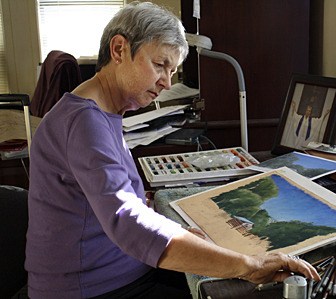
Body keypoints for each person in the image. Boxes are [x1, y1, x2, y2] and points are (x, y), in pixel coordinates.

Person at [25, 1, 320, 298]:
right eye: (159, 65)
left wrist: (178, 234)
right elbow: (127, 221)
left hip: (117, 271)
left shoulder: (103, 113)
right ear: (118, 50)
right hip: (92, 288)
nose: (167, 82)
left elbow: (119, 201)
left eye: (172, 70)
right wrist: (250, 265)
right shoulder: (85, 122)